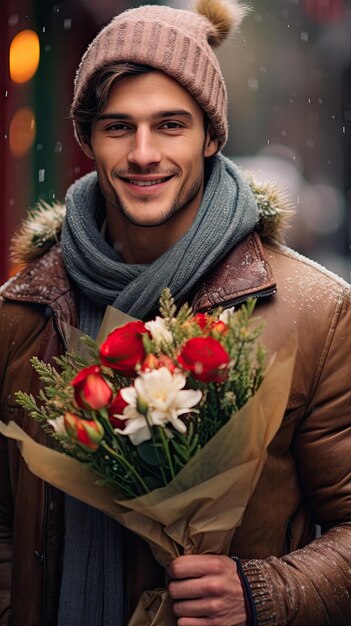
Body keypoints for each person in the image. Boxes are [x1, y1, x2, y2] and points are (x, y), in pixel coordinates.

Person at [0, 0, 350, 624]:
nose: (142, 154)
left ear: (211, 135)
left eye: (170, 125)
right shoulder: (22, 312)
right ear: (87, 138)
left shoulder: (315, 312)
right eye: (117, 127)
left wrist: (264, 592)